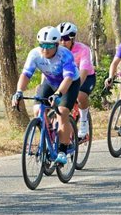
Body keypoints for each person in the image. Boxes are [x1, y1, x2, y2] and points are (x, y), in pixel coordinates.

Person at [12, 26, 80, 166]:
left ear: (56, 45)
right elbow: (25, 75)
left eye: (49, 46)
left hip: (69, 84)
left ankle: (62, 150)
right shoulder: (35, 54)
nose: (45, 49)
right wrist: (19, 91)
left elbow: (68, 79)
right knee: (38, 110)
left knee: (62, 112)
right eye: (42, 45)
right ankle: (50, 136)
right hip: (50, 82)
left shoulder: (65, 54)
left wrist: (58, 94)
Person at [57, 22, 95, 138]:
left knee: (80, 96)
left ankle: (84, 121)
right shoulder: (56, 50)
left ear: (72, 38)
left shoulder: (83, 49)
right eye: (60, 39)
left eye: (66, 39)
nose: (63, 42)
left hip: (86, 77)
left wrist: (75, 89)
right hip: (66, 77)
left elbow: (83, 71)